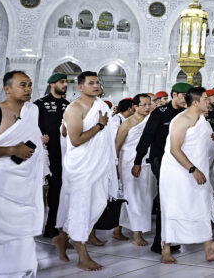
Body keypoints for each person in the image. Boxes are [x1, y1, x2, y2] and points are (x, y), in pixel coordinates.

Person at [0, 71, 48, 278]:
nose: (28, 89)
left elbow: (32, 138)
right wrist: (12, 150)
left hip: (26, 184)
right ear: (7, 88)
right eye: (23, 85)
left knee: (23, 231)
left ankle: (22, 270)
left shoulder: (32, 111)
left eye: (30, 85)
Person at [53, 71, 118, 271]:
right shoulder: (74, 108)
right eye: (91, 83)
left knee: (95, 205)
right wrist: (99, 125)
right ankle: (82, 254)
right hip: (81, 168)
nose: (96, 86)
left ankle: (62, 238)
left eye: (98, 82)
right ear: (80, 87)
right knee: (80, 207)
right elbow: (76, 140)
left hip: (99, 166)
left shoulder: (101, 106)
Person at [159, 86, 214, 264]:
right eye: (205, 99)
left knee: (201, 205)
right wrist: (193, 170)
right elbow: (174, 149)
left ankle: (208, 246)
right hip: (178, 172)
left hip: (198, 171)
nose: (208, 102)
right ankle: (166, 247)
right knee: (174, 207)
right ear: (195, 102)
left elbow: (205, 143)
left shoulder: (203, 120)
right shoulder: (181, 120)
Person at [133, 81, 190, 254]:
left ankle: (173, 238)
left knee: (178, 200)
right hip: (161, 160)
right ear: (174, 95)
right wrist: (137, 161)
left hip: (181, 162)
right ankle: (160, 241)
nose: (186, 100)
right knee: (166, 199)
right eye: (183, 97)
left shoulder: (188, 114)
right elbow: (147, 136)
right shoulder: (160, 112)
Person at [115, 93, 156, 246]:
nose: (147, 107)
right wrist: (115, 167)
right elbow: (117, 146)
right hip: (128, 163)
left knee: (146, 196)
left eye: (148, 104)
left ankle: (117, 229)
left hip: (146, 162)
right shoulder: (127, 123)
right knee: (133, 197)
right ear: (134, 107)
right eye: (143, 105)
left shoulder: (151, 121)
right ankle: (137, 234)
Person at [35, 72, 70, 238]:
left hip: (62, 155)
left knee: (57, 190)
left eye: (66, 82)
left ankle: (52, 226)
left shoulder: (68, 105)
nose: (65, 84)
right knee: (37, 191)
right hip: (43, 153)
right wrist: (38, 139)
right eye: (61, 82)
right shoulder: (40, 104)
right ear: (52, 84)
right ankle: (33, 226)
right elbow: (30, 127)